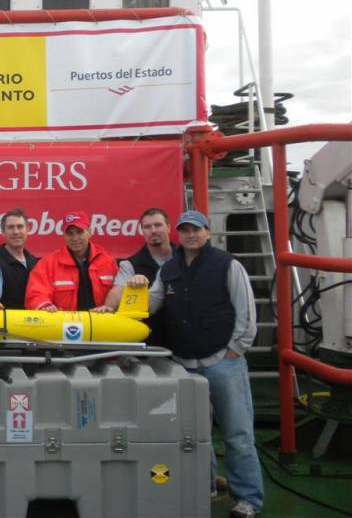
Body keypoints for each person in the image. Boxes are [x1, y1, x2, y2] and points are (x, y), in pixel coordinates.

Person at [126, 210, 263, 518]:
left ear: (207, 232)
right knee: (194, 434)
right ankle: (205, 488)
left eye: (196, 230)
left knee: (238, 434)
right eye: (185, 230)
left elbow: (247, 313)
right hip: (185, 364)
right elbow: (151, 304)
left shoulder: (228, 264)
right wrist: (133, 289)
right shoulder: (170, 269)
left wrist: (235, 350)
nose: (190, 235)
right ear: (179, 234)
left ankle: (248, 499)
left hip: (222, 362)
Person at [100, 207, 176, 344]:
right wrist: (109, 307)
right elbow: (118, 289)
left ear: (169, 227)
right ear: (142, 231)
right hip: (149, 340)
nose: (153, 230)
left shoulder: (184, 259)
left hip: (185, 339)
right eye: (147, 227)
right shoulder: (130, 264)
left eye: (158, 225)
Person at [25, 211, 117, 311]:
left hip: (102, 322)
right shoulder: (48, 263)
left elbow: (120, 291)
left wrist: (109, 306)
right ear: (64, 235)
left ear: (90, 232)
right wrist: (44, 305)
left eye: (79, 232)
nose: (75, 238)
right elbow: (35, 293)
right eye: (70, 233)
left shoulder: (107, 261)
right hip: (63, 323)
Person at [0, 208, 38, 315]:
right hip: (6, 329)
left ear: (27, 230)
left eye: (20, 227)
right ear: (3, 232)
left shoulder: (35, 262)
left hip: (36, 327)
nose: (16, 232)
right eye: (10, 227)